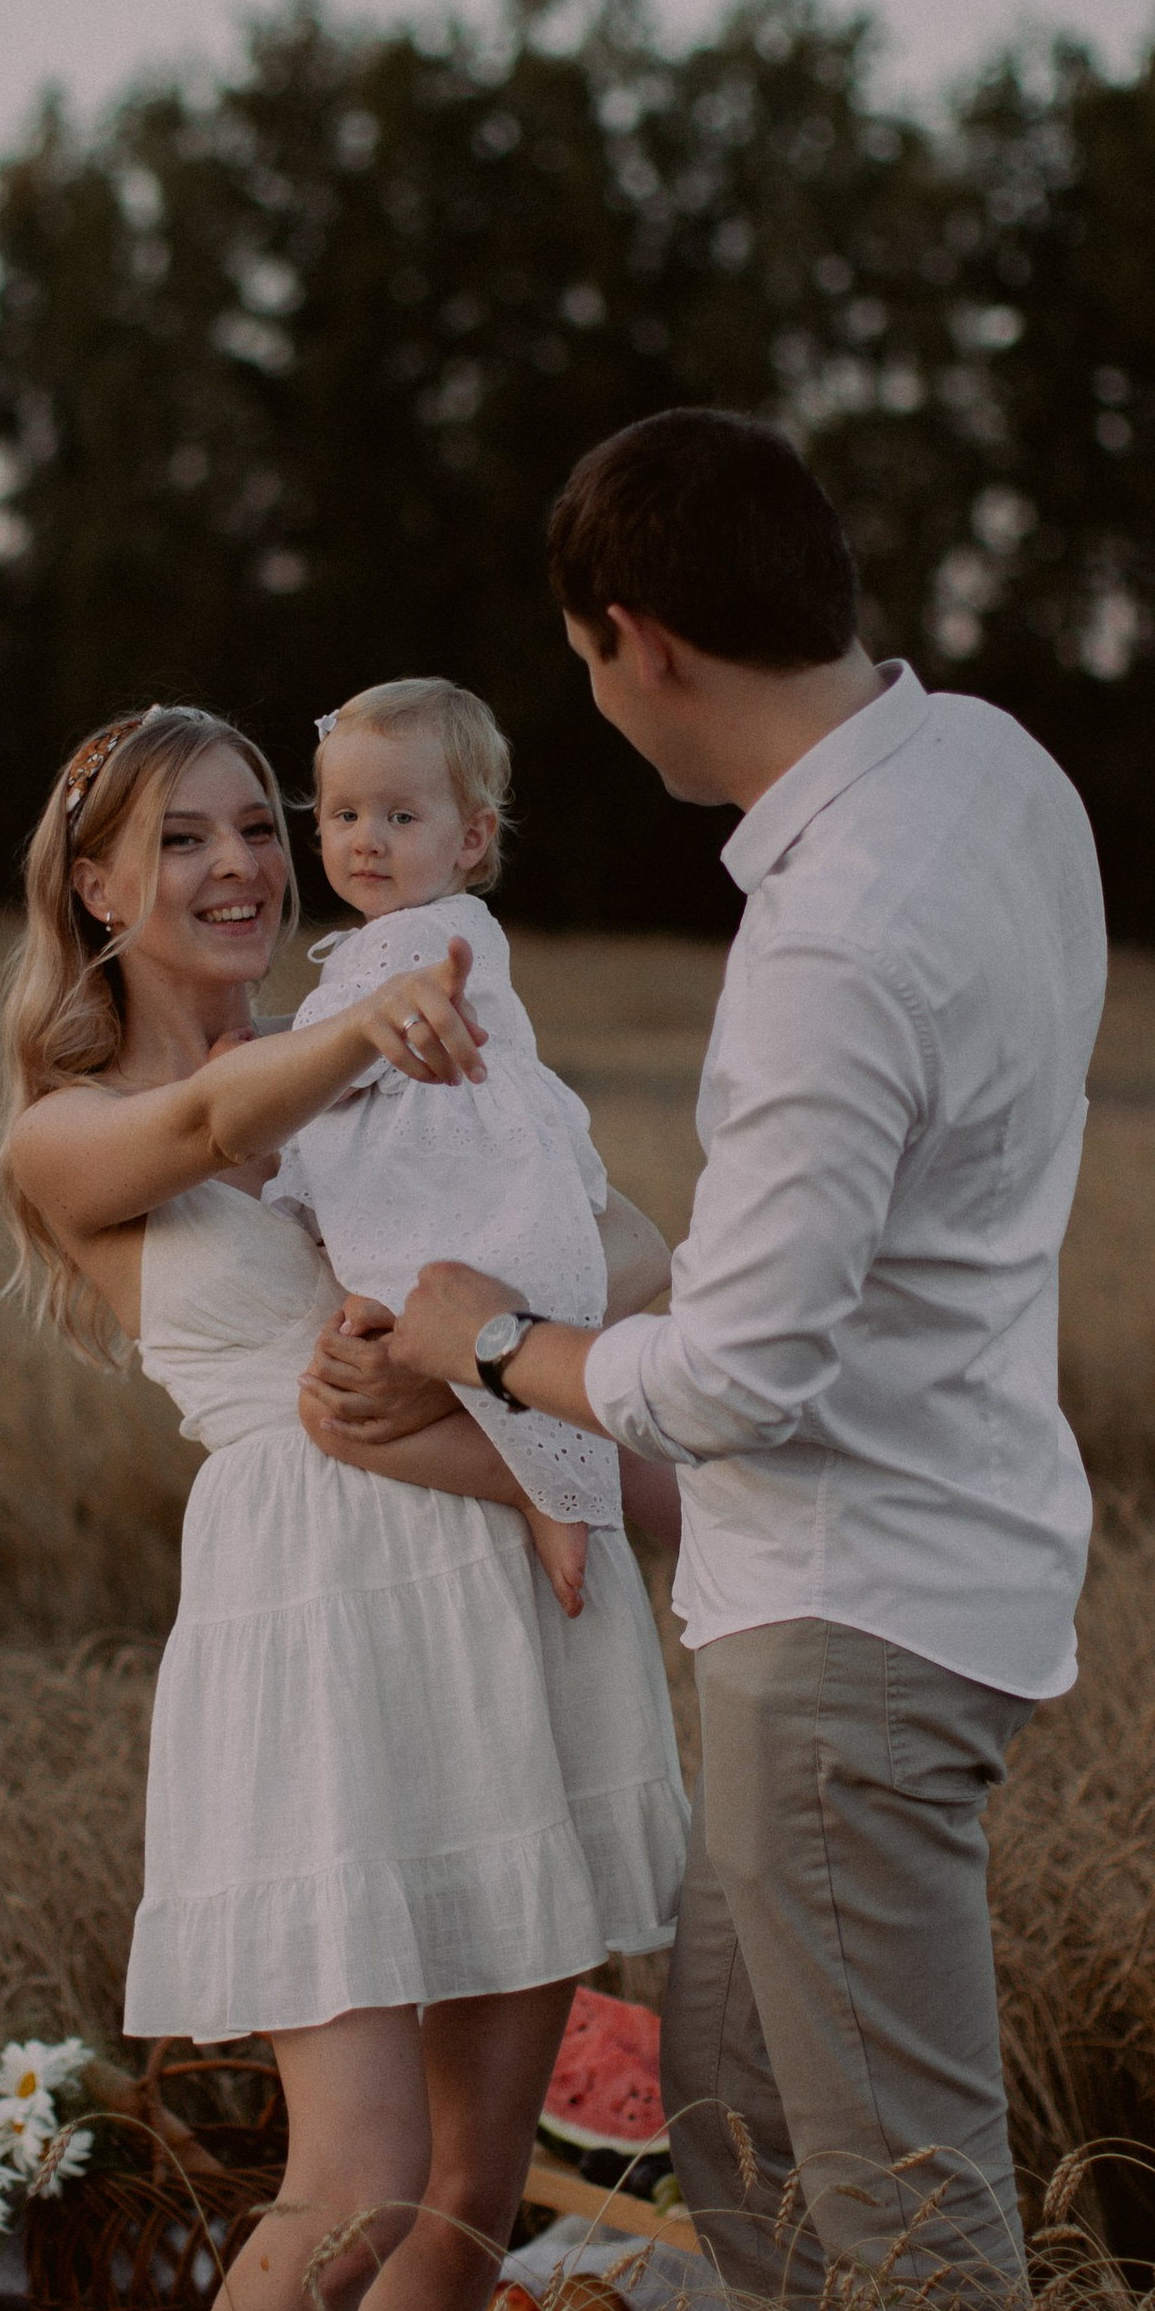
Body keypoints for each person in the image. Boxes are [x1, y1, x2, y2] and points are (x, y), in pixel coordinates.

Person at [372, 409, 1108, 2311]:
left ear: (638, 642)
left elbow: (750, 1379)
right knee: (735, 2107)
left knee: (890, 2189)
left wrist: (485, 1341)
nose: (590, 705)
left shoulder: (826, 937)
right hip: (929, 1538)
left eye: (583, 664)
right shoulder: (989, 770)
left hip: (846, 1607)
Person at [0, 701, 688, 2311]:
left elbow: (617, 1247)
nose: (240, 867)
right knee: (357, 2169)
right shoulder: (77, 1131)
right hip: (314, 1639)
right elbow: (219, 1123)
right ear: (99, 887)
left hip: (504, 1606)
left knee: (475, 2187)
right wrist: (365, 1036)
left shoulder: (414, 1067)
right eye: (186, 840)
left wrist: (503, 1285)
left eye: (256, 829)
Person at [270, 676, 682, 1618]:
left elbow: (341, 1065)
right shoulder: (408, 935)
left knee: (340, 1417)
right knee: (390, 1384)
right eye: (343, 813)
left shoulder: (418, 941)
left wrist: (257, 1063)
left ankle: (545, 1488)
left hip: (447, 1195)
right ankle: (553, 1480)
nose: (365, 837)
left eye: (400, 814)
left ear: (472, 839)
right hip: (461, 1185)